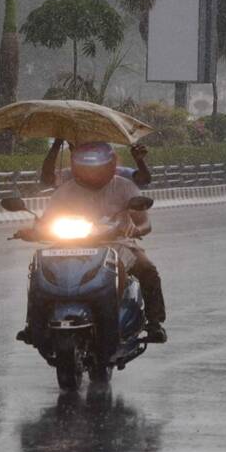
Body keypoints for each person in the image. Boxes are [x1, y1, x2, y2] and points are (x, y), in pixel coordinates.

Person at [20, 142, 167, 344]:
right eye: (86, 167)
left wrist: (136, 229)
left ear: (110, 165)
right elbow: (47, 220)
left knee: (147, 269)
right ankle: (34, 325)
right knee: (39, 268)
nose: (92, 173)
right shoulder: (64, 191)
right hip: (70, 244)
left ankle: (154, 323)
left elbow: (145, 223)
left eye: (97, 167)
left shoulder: (125, 186)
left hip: (118, 243)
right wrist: (33, 231)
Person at [40, 138, 151, 188]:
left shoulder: (118, 174)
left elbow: (145, 179)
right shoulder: (71, 175)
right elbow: (47, 179)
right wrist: (57, 144)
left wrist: (139, 160)